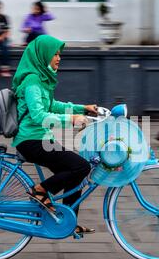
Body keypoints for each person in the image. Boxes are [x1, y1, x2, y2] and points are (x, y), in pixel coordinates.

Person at [12, 35, 98, 236]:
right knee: (81, 166)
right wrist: (73, 119)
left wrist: (82, 108)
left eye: (60, 54)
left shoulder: (40, 78)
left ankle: (69, 222)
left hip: (40, 138)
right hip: (32, 140)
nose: (58, 58)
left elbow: (52, 105)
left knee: (75, 172)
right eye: (55, 54)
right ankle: (39, 190)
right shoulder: (32, 79)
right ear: (43, 55)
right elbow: (39, 115)